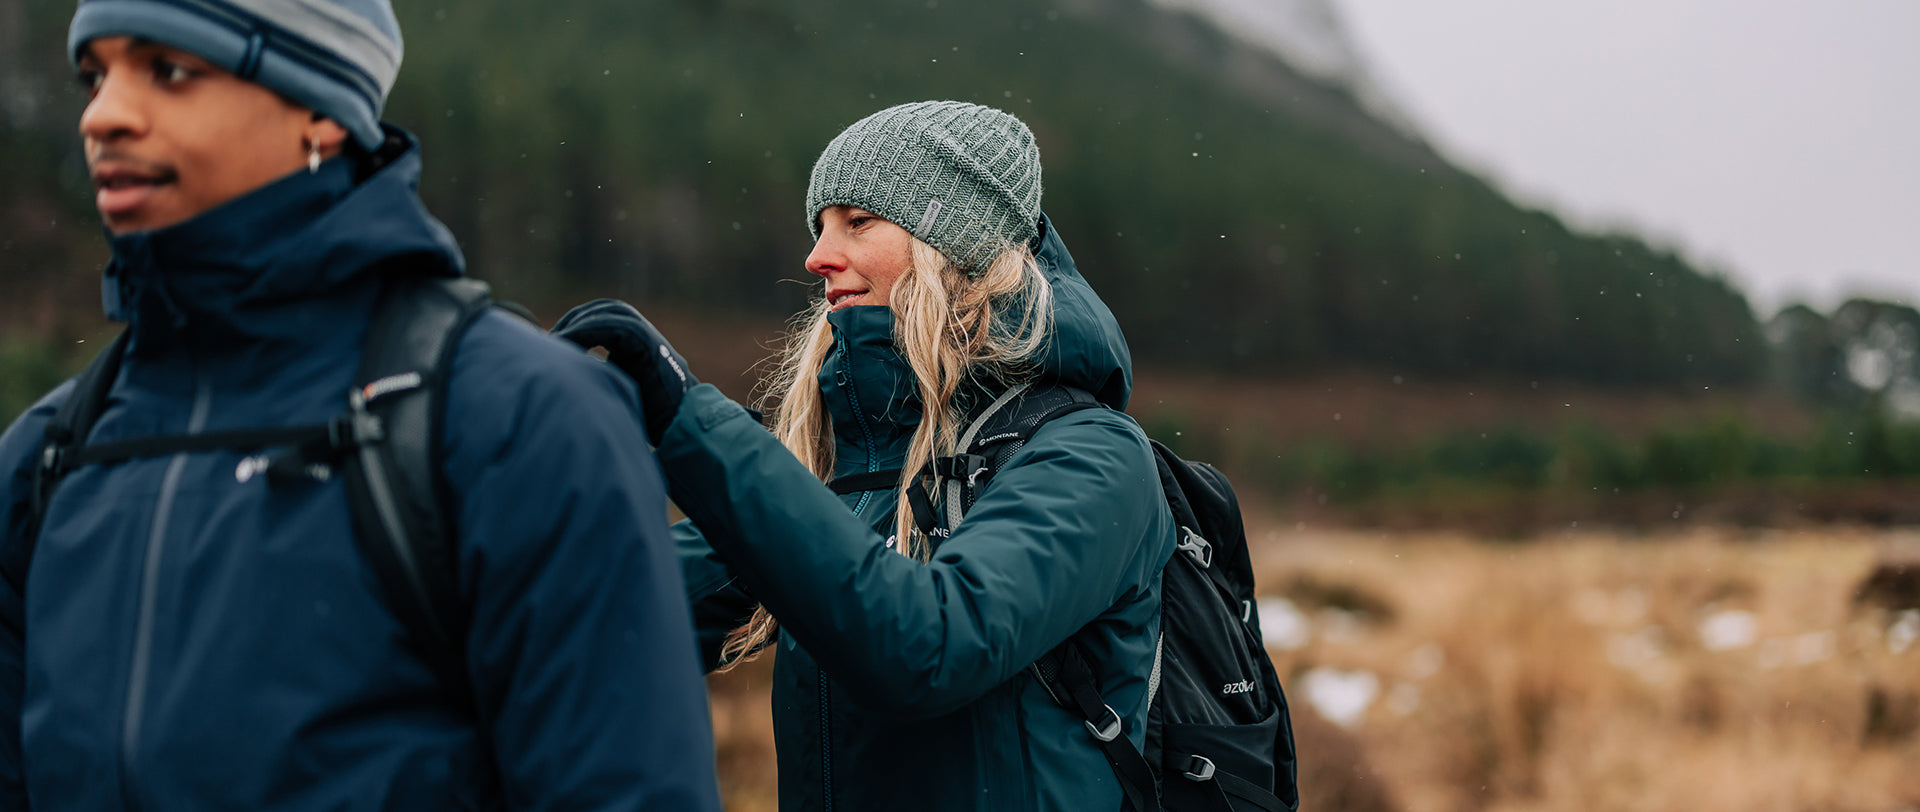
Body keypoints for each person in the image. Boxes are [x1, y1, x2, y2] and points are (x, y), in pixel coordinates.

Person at [0, 1, 722, 809]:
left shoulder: (518, 421)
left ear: (320, 109)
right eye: (94, 75)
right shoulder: (46, 459)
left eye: (169, 70)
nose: (104, 115)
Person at [558, 101, 1175, 811]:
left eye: (858, 222)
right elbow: (615, 608)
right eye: (821, 227)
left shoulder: (1093, 456)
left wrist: (690, 421)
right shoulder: (853, 466)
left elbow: (925, 649)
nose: (817, 256)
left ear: (955, 243)